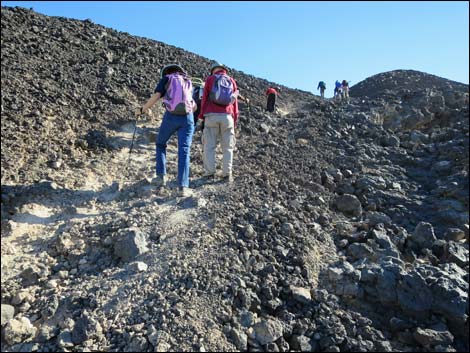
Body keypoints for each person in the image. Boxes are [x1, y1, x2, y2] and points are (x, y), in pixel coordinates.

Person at [136, 63, 196, 196]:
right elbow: (194, 105)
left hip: (171, 116)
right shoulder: (188, 81)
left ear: (166, 72)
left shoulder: (167, 78)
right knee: (184, 150)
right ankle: (183, 187)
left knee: (160, 143)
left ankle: (161, 176)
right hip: (188, 118)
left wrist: (142, 110)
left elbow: (156, 96)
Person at [197, 62, 239, 183]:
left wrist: (202, 116)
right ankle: (227, 174)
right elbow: (234, 103)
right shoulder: (232, 81)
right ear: (224, 70)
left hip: (211, 116)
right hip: (227, 117)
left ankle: (210, 173)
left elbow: (204, 98)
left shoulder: (210, 79)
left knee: (209, 146)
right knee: (228, 147)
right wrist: (234, 119)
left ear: (213, 70)